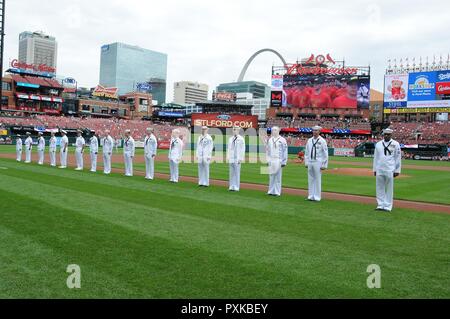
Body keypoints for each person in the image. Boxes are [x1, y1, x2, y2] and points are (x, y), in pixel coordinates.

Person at [373, 128, 402, 212]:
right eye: (385, 134)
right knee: (379, 187)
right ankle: (380, 204)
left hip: (390, 169)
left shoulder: (396, 144)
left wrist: (397, 170)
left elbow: (398, 158)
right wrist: (374, 169)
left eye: (388, 134)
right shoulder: (378, 144)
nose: (386, 136)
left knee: (389, 188)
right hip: (379, 168)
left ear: (391, 135)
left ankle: (388, 206)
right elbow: (376, 158)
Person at [305, 126, 328, 201]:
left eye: (316, 130)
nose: (314, 132)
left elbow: (325, 153)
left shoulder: (322, 141)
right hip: (310, 161)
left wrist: (324, 164)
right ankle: (311, 196)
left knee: (317, 179)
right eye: (313, 130)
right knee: (310, 179)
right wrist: (306, 162)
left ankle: (317, 197)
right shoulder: (309, 140)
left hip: (318, 161)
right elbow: (307, 152)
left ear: (319, 132)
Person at [266, 126, 288, 196]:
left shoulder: (282, 140)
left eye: (275, 130)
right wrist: (267, 160)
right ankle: (270, 191)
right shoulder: (270, 140)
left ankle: (277, 191)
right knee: (271, 176)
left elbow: (285, 151)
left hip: (279, 159)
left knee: (278, 176)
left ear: (278, 131)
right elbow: (268, 151)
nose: (274, 131)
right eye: (272, 130)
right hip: (271, 159)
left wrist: (284, 161)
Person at [227, 126, 245, 191]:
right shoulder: (230, 139)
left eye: (235, 130)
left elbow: (243, 149)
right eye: (233, 129)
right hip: (231, 158)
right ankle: (231, 186)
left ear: (238, 130)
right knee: (231, 173)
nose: (234, 131)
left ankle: (236, 187)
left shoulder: (241, 139)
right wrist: (228, 157)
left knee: (237, 173)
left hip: (237, 158)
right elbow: (229, 149)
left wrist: (241, 158)